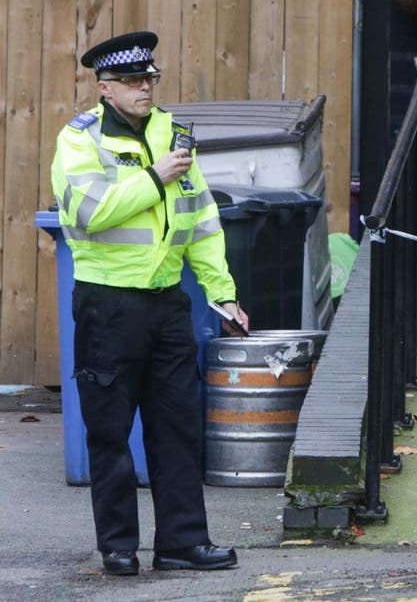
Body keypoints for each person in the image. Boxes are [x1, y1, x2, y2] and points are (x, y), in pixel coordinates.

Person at [50, 31, 250, 577]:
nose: (146, 89)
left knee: (177, 427)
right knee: (110, 431)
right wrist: (152, 178)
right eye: (133, 81)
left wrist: (222, 292)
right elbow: (89, 213)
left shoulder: (173, 133)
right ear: (106, 88)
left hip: (168, 304)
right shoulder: (79, 139)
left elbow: (202, 220)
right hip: (107, 306)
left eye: (150, 79)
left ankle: (183, 542)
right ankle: (118, 547)